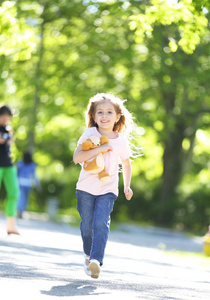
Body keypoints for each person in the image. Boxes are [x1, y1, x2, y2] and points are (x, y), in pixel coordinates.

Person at [73, 93, 136, 279]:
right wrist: (100, 148)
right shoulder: (89, 134)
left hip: (107, 189)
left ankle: (96, 260)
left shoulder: (121, 140)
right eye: (99, 112)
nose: (104, 116)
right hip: (85, 188)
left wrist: (127, 186)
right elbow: (77, 158)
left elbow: (126, 163)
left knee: (101, 223)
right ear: (93, 116)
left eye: (109, 112)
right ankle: (88, 255)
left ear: (118, 116)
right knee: (86, 226)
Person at [0, 105, 20, 235]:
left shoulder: (7, 129)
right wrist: (6, 137)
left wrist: (8, 137)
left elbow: (9, 142)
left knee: (14, 193)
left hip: (8, 164)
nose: (7, 120)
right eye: (6, 117)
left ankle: (11, 226)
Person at [17, 151, 40, 218]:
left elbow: (17, 173)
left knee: (21, 197)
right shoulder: (32, 165)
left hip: (20, 182)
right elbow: (34, 176)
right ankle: (22, 210)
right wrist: (38, 184)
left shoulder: (20, 163)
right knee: (26, 198)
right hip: (28, 183)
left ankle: (19, 210)